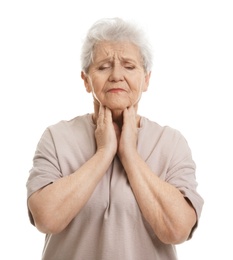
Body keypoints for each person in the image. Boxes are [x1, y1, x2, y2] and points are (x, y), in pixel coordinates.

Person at [26, 17, 204, 260]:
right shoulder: (56, 138)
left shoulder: (171, 143)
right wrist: (104, 152)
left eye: (129, 66)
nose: (117, 75)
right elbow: (46, 219)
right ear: (86, 80)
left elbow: (177, 230)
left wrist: (129, 154)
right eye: (103, 67)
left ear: (147, 79)